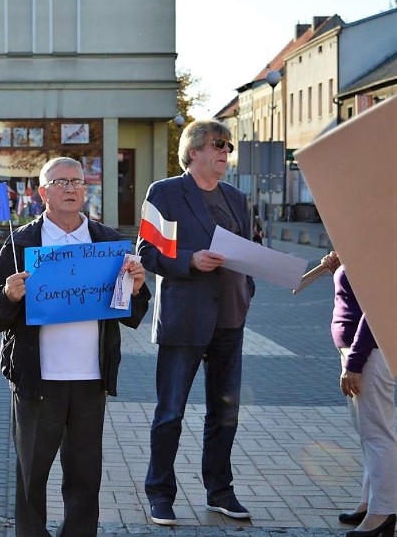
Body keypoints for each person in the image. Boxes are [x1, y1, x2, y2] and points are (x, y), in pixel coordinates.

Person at [0, 157, 151, 536]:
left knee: (85, 478)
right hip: (38, 382)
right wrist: (8, 294)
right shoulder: (21, 243)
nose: (71, 188)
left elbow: (133, 310)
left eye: (77, 181)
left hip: (91, 380)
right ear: (42, 193)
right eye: (60, 182)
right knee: (31, 479)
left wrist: (136, 288)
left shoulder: (106, 242)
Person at [137, 119, 255, 526]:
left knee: (226, 414)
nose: (225, 152)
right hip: (184, 319)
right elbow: (147, 254)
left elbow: (251, 251)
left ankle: (220, 491)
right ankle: (160, 494)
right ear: (193, 152)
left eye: (228, 145)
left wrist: (248, 291)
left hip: (230, 320)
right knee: (170, 412)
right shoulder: (165, 194)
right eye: (218, 144)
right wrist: (189, 259)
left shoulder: (237, 198)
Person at [322, 251, 396, 537]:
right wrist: (339, 270)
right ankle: (371, 503)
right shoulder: (359, 242)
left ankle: (383, 513)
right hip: (361, 352)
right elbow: (355, 295)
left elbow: (377, 306)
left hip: (369, 354)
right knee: (370, 433)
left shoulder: (378, 243)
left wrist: (355, 362)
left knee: (378, 435)